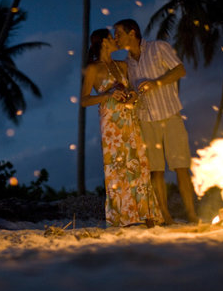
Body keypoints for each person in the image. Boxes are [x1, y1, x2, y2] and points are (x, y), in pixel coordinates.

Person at [113, 19, 199, 224]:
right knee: (156, 171)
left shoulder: (158, 47)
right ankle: (167, 217)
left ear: (132, 33)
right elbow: (134, 91)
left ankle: (192, 214)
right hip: (146, 119)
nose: (116, 38)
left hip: (169, 115)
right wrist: (132, 96)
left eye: (118, 34)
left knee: (181, 166)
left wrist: (156, 83)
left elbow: (180, 70)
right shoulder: (128, 63)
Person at [81, 28, 164, 227]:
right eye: (111, 37)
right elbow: (84, 100)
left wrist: (133, 95)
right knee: (117, 168)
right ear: (102, 42)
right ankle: (121, 217)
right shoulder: (93, 69)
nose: (115, 39)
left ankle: (146, 214)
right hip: (111, 124)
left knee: (139, 164)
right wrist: (108, 94)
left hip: (130, 118)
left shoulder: (122, 65)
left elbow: (131, 89)